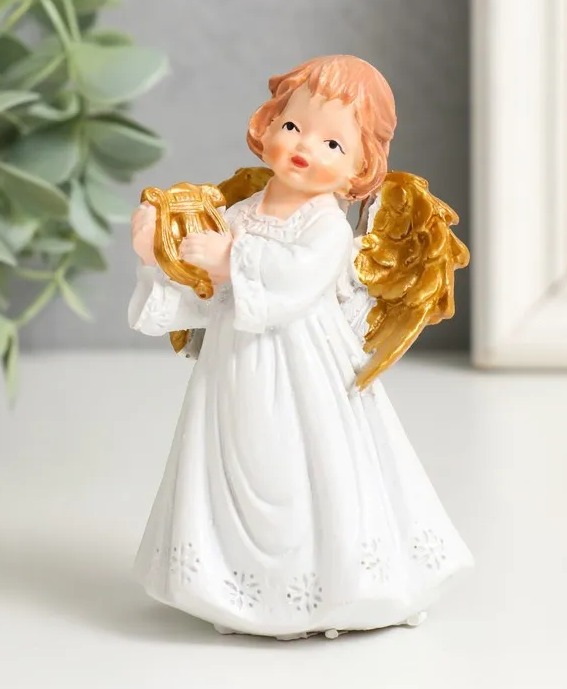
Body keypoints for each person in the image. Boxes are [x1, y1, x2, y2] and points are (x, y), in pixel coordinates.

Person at [127, 55, 474, 640]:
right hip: (233, 370)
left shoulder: (326, 226)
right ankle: (236, 581)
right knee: (235, 462)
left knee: (298, 465)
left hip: (301, 372)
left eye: (333, 143)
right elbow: (205, 295)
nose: (305, 146)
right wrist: (157, 253)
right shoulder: (238, 213)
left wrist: (231, 258)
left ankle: (327, 584)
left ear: (361, 167)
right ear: (266, 125)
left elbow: (293, 281)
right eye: (292, 125)